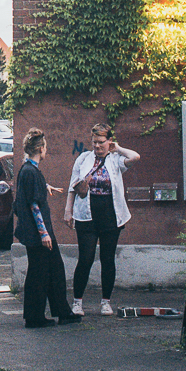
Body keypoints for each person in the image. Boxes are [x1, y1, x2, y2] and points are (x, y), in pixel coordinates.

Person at [68, 122, 139, 316]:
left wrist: (118, 149)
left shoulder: (116, 160)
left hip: (110, 215)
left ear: (109, 141)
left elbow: (135, 157)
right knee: (85, 259)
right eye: (94, 143)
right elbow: (72, 186)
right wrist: (68, 211)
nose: (97, 146)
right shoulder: (83, 159)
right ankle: (77, 302)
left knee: (108, 259)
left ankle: (105, 302)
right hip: (86, 215)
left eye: (101, 142)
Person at [16, 131, 75, 328]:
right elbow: (34, 205)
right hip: (39, 234)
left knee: (49, 271)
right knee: (42, 273)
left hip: (35, 233)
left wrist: (46, 186)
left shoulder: (28, 169)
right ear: (41, 149)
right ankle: (37, 317)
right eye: (46, 147)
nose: (46, 150)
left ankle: (58, 312)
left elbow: (32, 190)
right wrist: (44, 233)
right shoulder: (31, 172)